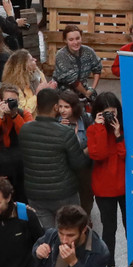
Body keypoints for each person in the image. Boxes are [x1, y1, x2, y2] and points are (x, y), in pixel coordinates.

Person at [20, 88, 89, 228]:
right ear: (55, 107)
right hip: (64, 194)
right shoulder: (65, 133)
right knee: (70, 234)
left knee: (49, 237)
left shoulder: (25, 130)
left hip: (35, 195)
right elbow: (79, 163)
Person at [85, 94, 128, 266]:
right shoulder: (93, 130)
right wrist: (100, 128)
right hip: (104, 189)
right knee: (109, 230)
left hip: (124, 187)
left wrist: (118, 136)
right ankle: (109, 265)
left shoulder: (124, 129)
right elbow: (99, 154)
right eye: (106, 113)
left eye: (113, 112)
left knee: (129, 227)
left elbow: (125, 156)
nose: (111, 116)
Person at [51, 28, 101, 101]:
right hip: (63, 91)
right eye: (71, 40)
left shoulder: (88, 52)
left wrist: (92, 89)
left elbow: (97, 69)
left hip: (83, 88)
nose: (75, 42)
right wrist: (86, 94)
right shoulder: (61, 55)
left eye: (77, 38)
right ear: (65, 41)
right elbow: (72, 80)